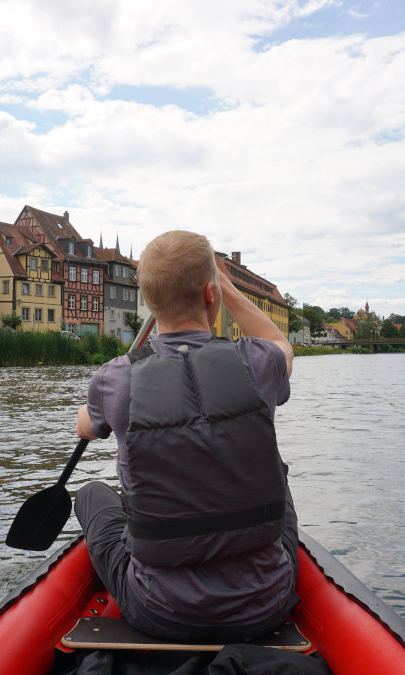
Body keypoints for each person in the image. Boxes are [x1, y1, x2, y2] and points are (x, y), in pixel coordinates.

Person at [74, 230, 299, 642]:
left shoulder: (114, 378)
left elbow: (84, 427)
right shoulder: (257, 361)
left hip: (159, 611)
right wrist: (228, 287)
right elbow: (280, 343)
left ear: (148, 300)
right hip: (267, 602)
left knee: (90, 492)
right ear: (211, 295)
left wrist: (95, 405)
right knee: (277, 476)